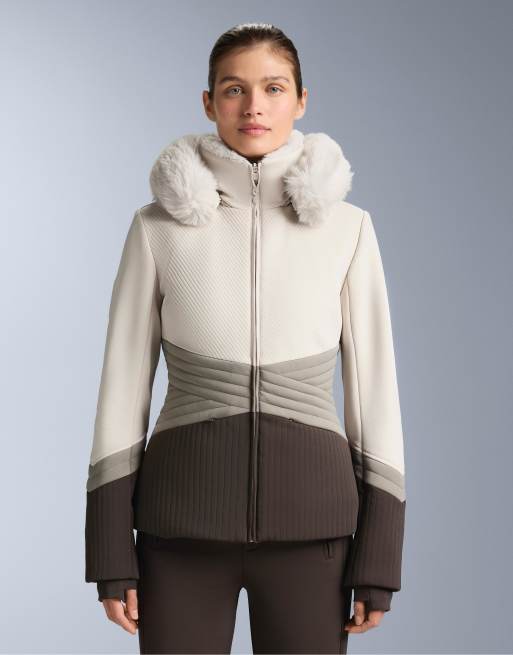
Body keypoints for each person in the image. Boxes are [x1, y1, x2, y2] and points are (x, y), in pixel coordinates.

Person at [84, 22, 406, 655]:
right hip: (178, 534)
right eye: (234, 89)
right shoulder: (156, 228)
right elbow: (121, 389)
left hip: (314, 535)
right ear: (209, 103)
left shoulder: (348, 229)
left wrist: (379, 558)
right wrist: (110, 551)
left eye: (273, 88)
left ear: (301, 100)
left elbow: (376, 395)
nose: (254, 106)